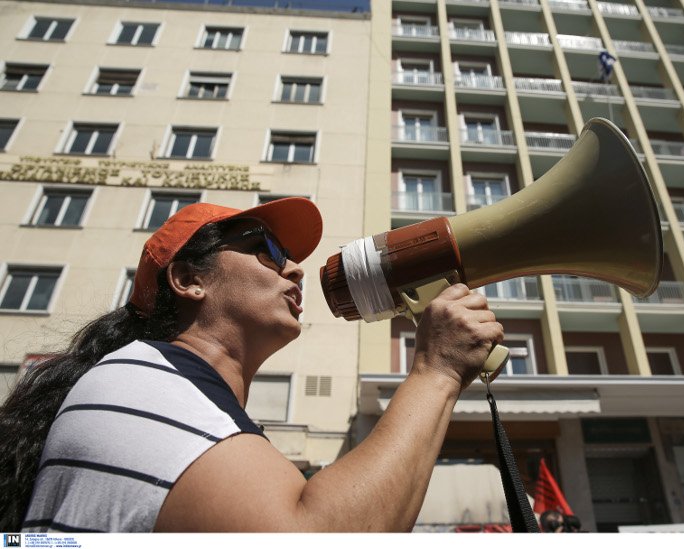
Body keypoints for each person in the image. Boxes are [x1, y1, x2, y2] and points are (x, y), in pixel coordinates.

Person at [0, 198, 505, 532]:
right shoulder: (134, 379)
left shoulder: (176, 396)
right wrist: (436, 371)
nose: (294, 267)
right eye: (264, 249)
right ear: (187, 279)